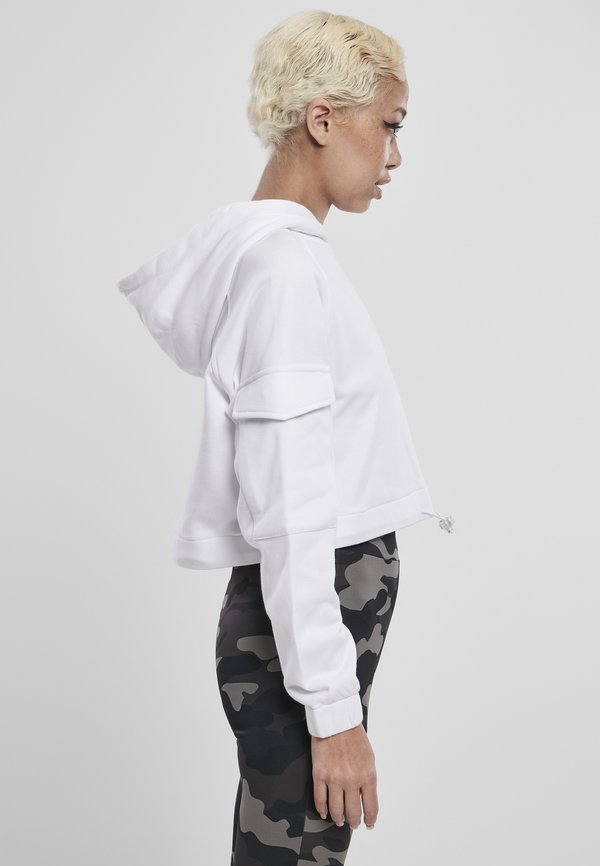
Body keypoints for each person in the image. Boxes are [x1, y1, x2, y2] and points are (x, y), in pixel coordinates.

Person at [116, 10, 453, 865]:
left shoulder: (283, 263)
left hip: (297, 637)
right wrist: (333, 715)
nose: (395, 155)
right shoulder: (284, 273)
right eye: (390, 124)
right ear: (323, 119)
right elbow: (292, 502)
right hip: (303, 646)